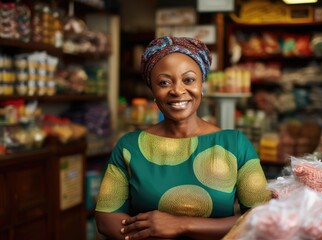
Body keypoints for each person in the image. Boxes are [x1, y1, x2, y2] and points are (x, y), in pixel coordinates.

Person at [95, 36, 271, 240]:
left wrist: (183, 225)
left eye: (188, 80)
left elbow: (261, 217)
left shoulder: (234, 144)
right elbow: (106, 217)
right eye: (164, 82)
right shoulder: (129, 146)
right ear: (152, 89)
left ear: (201, 85)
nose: (177, 91)